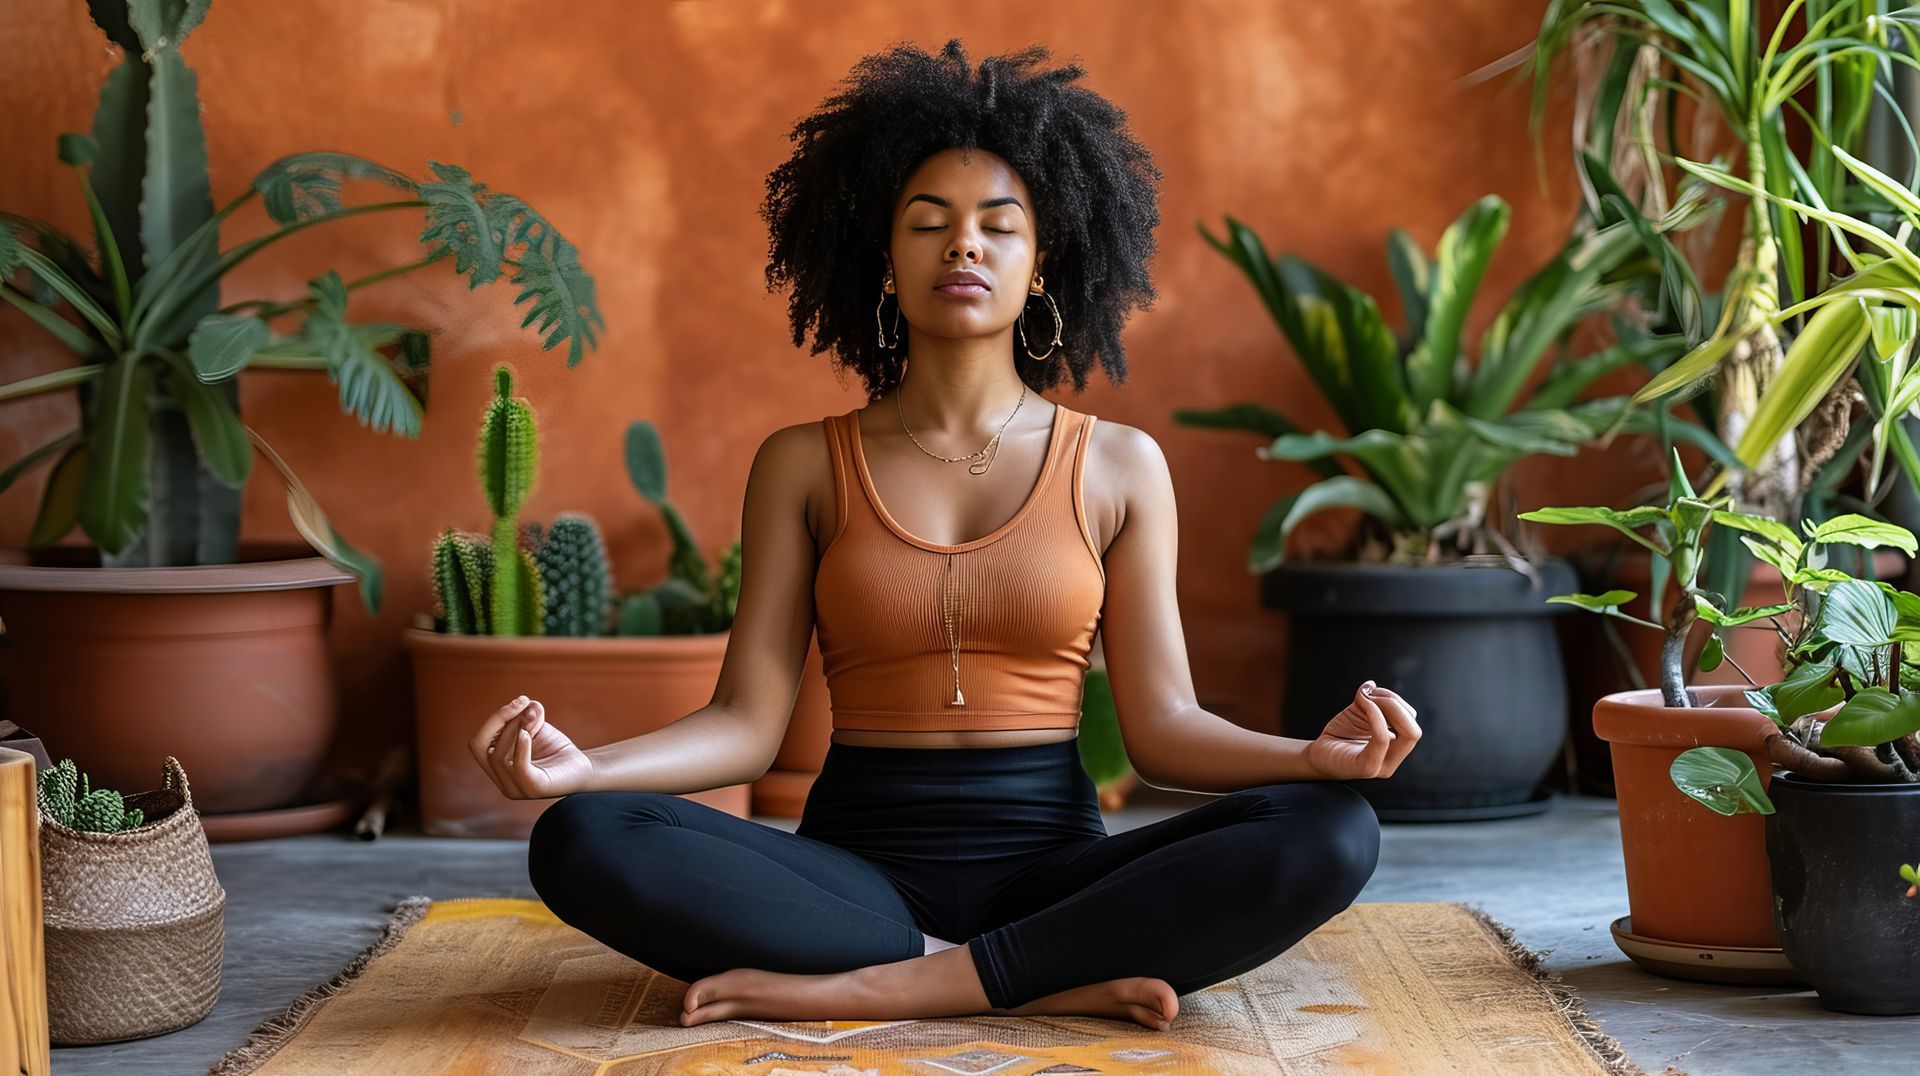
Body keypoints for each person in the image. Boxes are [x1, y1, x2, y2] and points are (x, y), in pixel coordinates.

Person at [474, 38, 1420, 1033]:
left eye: (997, 227)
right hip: (853, 877)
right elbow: (748, 725)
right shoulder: (802, 461)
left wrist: (1313, 759)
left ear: (1043, 261)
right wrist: (582, 769)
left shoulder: (1118, 466)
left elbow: (1165, 728)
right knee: (582, 835)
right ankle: (1027, 978)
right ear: (885, 260)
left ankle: (891, 985)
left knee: (1331, 830)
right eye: (928, 224)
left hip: (1057, 871)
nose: (963, 245)